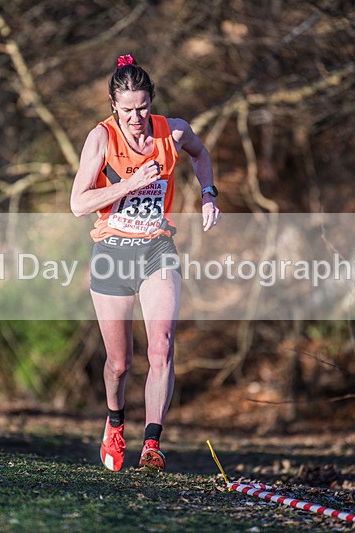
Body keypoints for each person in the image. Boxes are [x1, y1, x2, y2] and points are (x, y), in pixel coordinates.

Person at [70, 54, 221, 472]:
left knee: (163, 346)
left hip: (157, 249)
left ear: (151, 101)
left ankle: (152, 443)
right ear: (113, 107)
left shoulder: (172, 132)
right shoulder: (100, 139)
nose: (136, 118)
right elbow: (78, 203)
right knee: (119, 363)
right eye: (127, 110)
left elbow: (201, 153)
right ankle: (115, 423)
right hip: (112, 254)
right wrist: (131, 184)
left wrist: (209, 193)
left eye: (143, 108)